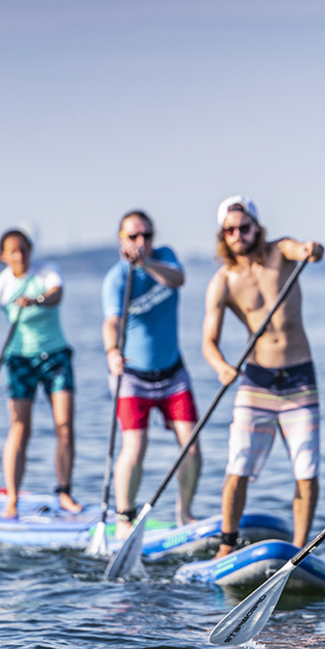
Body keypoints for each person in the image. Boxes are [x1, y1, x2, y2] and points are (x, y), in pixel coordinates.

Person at [202, 195, 325, 557]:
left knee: (306, 466)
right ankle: (227, 543)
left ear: (257, 227)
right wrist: (221, 366)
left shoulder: (279, 252)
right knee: (237, 465)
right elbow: (208, 342)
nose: (237, 234)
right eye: (230, 230)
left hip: (300, 379)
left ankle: (301, 548)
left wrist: (312, 250)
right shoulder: (223, 282)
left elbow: (304, 250)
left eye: (244, 227)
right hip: (256, 381)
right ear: (222, 236)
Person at [101, 210, 201, 532]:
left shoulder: (165, 257)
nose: (141, 242)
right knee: (135, 446)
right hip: (134, 378)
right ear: (121, 240)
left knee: (192, 446)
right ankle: (124, 517)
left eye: (147, 235)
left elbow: (178, 279)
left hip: (173, 373)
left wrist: (146, 264)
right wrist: (112, 351)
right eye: (133, 237)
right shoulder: (116, 279)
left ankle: (184, 513)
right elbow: (112, 321)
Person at [0, 228, 82, 519]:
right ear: (3, 256)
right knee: (20, 429)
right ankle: (11, 499)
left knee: (64, 426)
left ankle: (64, 492)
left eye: (23, 249)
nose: (19, 255)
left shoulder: (47, 272)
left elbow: (56, 295)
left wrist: (35, 300)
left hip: (56, 357)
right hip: (19, 361)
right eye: (13, 251)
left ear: (30, 250)